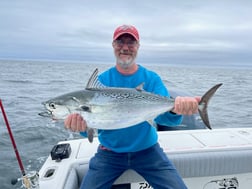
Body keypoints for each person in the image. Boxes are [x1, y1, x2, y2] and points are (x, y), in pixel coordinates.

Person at [64, 25, 200, 189]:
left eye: (131, 43)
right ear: (113, 45)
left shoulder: (151, 79)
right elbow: (92, 125)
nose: (125, 48)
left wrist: (174, 109)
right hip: (109, 153)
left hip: (148, 151)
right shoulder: (101, 81)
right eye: (120, 42)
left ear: (138, 47)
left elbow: (168, 121)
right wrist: (80, 126)